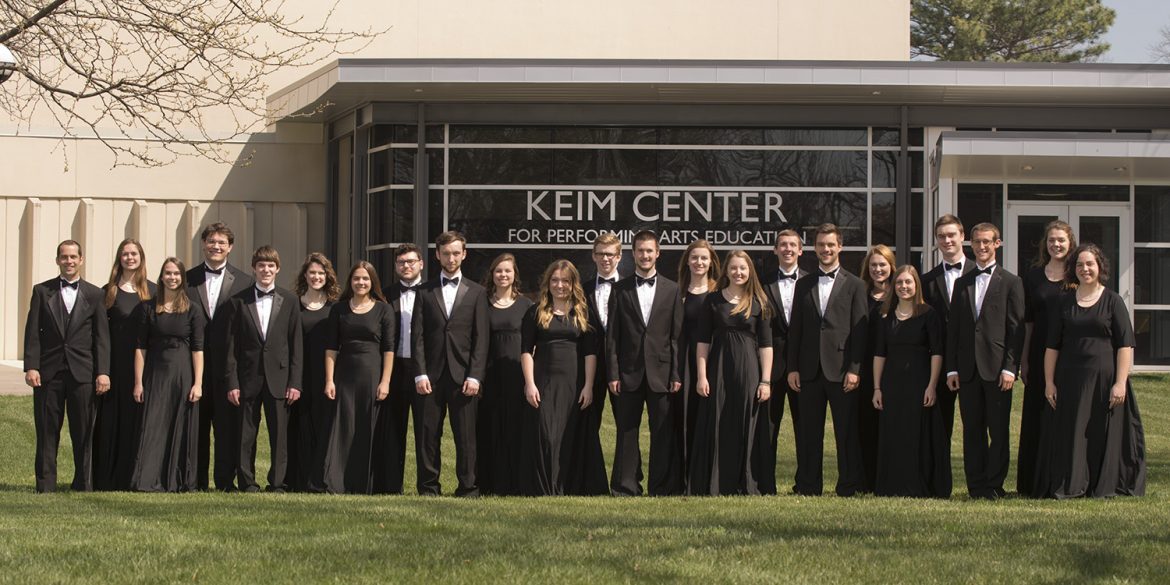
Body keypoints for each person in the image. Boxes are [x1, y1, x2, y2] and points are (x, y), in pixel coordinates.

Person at [1042, 244, 1146, 498]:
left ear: (1100, 268)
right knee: (1074, 433)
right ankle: (1074, 484)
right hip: (1070, 380)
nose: (1084, 269)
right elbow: (1052, 347)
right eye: (1079, 265)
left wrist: (1121, 382)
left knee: (1101, 432)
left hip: (1105, 380)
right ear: (1073, 270)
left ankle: (1104, 484)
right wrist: (1049, 382)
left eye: (1089, 264)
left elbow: (1125, 345)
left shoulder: (1113, 300)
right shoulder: (1064, 302)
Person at [23, 240, 111, 493]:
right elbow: (32, 333)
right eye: (64, 257)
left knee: (83, 432)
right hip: (48, 373)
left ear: (81, 260)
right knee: (47, 430)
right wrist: (31, 366)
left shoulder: (95, 294)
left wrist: (103, 372)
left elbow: (101, 338)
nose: (69, 261)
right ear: (57, 260)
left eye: (73, 257)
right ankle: (45, 484)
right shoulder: (42, 291)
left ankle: (83, 483)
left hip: (83, 372)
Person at [786, 223, 868, 497]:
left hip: (842, 370)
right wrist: (793, 367)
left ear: (840, 247)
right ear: (814, 248)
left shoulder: (856, 285)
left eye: (830, 244)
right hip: (809, 370)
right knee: (809, 432)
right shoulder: (803, 284)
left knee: (846, 432)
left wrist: (855, 369)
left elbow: (860, 331)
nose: (825, 249)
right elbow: (795, 329)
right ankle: (808, 485)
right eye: (821, 245)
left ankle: (848, 485)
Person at [945, 222, 1025, 500]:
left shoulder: (1012, 282)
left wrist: (1010, 368)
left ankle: (994, 484)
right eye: (977, 242)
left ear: (997, 244)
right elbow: (953, 329)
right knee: (972, 430)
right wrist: (952, 367)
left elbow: (1016, 330)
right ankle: (975, 485)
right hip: (967, 370)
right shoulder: (961, 282)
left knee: (999, 430)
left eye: (987, 242)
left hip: (997, 369)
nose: (981, 247)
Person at [606, 230, 684, 496]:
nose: (645, 255)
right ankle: (625, 486)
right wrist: (613, 373)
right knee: (627, 432)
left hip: (662, 373)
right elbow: (613, 337)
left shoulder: (673, 289)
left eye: (649, 250)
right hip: (628, 372)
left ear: (657, 253)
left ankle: (661, 487)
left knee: (662, 433)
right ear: (633, 253)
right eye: (640, 250)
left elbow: (676, 336)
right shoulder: (619, 289)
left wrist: (676, 373)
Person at [689, 250, 773, 495]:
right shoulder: (712, 301)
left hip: (749, 370)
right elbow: (703, 342)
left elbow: (766, 345)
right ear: (726, 270)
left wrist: (765, 381)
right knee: (720, 420)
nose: (738, 272)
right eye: (734, 268)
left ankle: (745, 482)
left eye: (743, 268)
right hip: (719, 368)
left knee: (746, 421)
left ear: (750, 272)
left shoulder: (760, 302)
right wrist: (702, 376)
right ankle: (719, 482)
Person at [412, 231, 490, 497]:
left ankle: (468, 487)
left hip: (464, 376)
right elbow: (418, 337)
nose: (451, 257)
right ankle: (428, 488)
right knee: (427, 437)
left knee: (466, 437)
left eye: (456, 253)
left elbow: (481, 338)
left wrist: (475, 376)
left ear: (464, 254)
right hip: (430, 377)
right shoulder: (423, 292)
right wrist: (419, 373)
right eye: (446, 253)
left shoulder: (478, 293)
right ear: (437, 255)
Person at [224, 246, 303, 493]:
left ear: (277, 269)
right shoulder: (238, 301)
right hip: (247, 378)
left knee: (279, 436)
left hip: (279, 378)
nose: (266, 270)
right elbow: (231, 347)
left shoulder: (290, 300)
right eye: (261, 265)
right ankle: (247, 482)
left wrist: (295, 382)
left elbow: (295, 345)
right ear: (254, 269)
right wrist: (232, 383)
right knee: (246, 435)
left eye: (270, 266)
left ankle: (277, 482)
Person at [520, 259, 597, 495]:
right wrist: (530, 383)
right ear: (548, 282)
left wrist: (589, 386)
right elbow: (525, 350)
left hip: (573, 383)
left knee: (568, 434)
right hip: (543, 381)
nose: (560, 285)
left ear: (573, 283)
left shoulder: (583, 312)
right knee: (546, 435)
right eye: (555, 280)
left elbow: (590, 353)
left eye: (565, 280)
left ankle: (566, 486)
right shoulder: (535, 311)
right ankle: (545, 487)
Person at [186, 222, 254, 491]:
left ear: (230, 247)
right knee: (197, 427)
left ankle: (225, 482)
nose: (216, 246)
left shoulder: (245, 282)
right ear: (203, 244)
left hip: (229, 366)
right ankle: (196, 481)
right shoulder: (187, 279)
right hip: (194, 367)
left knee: (227, 428)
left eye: (221, 242)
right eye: (211, 241)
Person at [130, 258, 204, 492]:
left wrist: (198, 383)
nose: (172, 277)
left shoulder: (193, 310)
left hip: (183, 375)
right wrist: (138, 383)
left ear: (183, 278)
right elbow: (140, 348)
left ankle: (177, 480)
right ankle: (147, 480)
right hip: (155, 374)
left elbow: (198, 349)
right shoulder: (147, 308)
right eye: (168, 273)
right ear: (161, 277)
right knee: (152, 425)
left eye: (176, 274)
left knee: (180, 424)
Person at [323, 261, 396, 494]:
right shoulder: (339, 309)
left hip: (372, 375)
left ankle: (366, 483)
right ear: (350, 282)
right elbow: (331, 347)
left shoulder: (384, 310)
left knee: (367, 428)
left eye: (365, 279)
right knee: (344, 428)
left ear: (372, 281)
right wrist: (329, 380)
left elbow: (389, 349)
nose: (361, 282)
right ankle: (339, 482)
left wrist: (385, 381)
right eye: (356, 278)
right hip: (344, 376)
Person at [871, 265, 944, 497]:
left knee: (916, 433)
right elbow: (879, 353)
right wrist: (876, 388)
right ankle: (892, 485)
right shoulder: (885, 315)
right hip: (892, 382)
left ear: (916, 285)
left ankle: (917, 485)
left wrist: (932, 385)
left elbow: (936, 352)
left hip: (919, 381)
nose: (904, 286)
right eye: (900, 283)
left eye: (908, 282)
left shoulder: (928, 314)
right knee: (894, 431)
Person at [1018, 220, 1075, 497]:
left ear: (1070, 243)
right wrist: (1025, 360)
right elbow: (1028, 322)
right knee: (1037, 414)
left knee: (1065, 413)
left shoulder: (1078, 274)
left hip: (1070, 351)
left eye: (1061, 240)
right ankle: (1034, 481)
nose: (1056, 244)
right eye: (1052, 240)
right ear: (1046, 243)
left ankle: (1064, 478)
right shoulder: (1033, 277)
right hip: (1040, 350)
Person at [94, 239, 155, 491]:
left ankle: (135, 476)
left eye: (134, 254)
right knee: (111, 421)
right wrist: (103, 371)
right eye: (125, 254)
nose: (130, 258)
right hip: (115, 366)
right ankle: (108, 478)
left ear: (141, 257)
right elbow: (100, 335)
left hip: (144, 366)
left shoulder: (153, 290)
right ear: (119, 258)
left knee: (138, 420)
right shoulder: (107, 291)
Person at [919, 213, 973, 498]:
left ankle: (981, 486)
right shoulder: (927, 281)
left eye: (952, 235)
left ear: (962, 236)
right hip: (939, 363)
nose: (947, 240)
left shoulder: (980, 273)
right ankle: (940, 487)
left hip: (976, 363)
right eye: (941, 236)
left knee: (976, 428)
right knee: (940, 428)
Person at [570, 233, 623, 496]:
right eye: (600, 254)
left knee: (626, 427)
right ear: (593, 256)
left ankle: (624, 485)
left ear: (619, 256)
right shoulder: (582, 289)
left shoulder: (629, 287)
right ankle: (589, 483)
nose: (605, 259)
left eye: (610, 254)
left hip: (622, 369)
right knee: (587, 425)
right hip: (587, 366)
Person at [755, 229, 805, 495]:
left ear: (800, 250)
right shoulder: (761, 284)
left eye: (792, 245)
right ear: (775, 250)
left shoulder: (811, 282)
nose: (787, 249)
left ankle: (805, 483)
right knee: (767, 429)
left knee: (804, 428)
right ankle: (766, 484)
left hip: (803, 367)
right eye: (782, 245)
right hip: (771, 368)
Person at [480, 253, 534, 495]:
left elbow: (533, 345)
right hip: (489, 375)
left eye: (508, 271)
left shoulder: (526, 306)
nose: (503, 275)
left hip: (516, 375)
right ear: (492, 274)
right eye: (498, 271)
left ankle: (516, 484)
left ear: (515, 275)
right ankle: (489, 484)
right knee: (489, 428)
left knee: (515, 429)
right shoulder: (481, 303)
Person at [374, 243, 424, 494]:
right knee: (392, 429)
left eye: (411, 261)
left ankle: (428, 487)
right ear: (396, 266)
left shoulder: (431, 292)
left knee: (426, 431)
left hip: (424, 368)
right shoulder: (384, 294)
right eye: (402, 262)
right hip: (393, 369)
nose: (406, 266)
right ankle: (391, 486)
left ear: (421, 264)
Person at [291, 252, 340, 493]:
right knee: (300, 426)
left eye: (321, 273)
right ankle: (299, 481)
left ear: (327, 276)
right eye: (312, 272)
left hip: (327, 375)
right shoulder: (293, 304)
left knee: (324, 426)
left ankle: (321, 479)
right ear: (305, 275)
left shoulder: (336, 307)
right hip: (300, 373)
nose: (316, 277)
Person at [676, 239, 720, 492]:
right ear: (687, 262)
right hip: (683, 363)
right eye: (694, 258)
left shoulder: (718, 293)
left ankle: (704, 478)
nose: (699, 262)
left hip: (710, 364)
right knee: (684, 419)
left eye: (704, 258)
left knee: (706, 419)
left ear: (711, 262)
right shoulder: (677, 293)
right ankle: (682, 479)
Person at [858, 244, 895, 492]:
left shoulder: (902, 292)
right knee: (866, 425)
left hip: (893, 369)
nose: (878, 269)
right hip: (864, 367)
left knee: (891, 425)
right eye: (873, 265)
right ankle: (868, 480)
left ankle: (889, 479)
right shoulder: (858, 293)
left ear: (891, 266)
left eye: (882, 264)